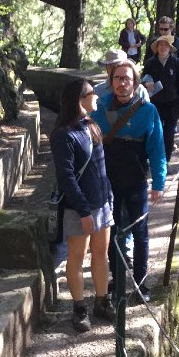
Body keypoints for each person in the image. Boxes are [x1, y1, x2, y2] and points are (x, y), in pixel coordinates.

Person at [91, 61, 166, 303]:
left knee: (139, 232)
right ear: (111, 81)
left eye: (127, 79)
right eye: (118, 78)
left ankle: (141, 283)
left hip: (135, 180)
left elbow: (157, 150)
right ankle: (117, 281)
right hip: (107, 181)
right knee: (111, 232)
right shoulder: (99, 107)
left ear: (135, 83)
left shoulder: (148, 111)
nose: (122, 83)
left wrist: (158, 183)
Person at [49, 78, 117, 332]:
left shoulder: (91, 125)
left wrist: (108, 197)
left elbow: (101, 168)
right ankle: (79, 308)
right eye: (92, 93)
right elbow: (66, 177)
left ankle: (102, 300)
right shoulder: (63, 135)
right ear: (80, 99)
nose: (97, 96)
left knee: (101, 253)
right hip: (78, 208)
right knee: (76, 257)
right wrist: (84, 210)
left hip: (101, 204)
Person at [144, 35, 179, 159]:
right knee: (155, 132)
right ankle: (154, 157)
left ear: (170, 48)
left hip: (173, 103)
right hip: (155, 103)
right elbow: (142, 79)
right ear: (156, 47)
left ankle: (166, 159)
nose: (163, 48)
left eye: (165, 45)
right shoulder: (150, 63)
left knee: (169, 134)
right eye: (160, 45)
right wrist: (146, 83)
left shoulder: (176, 63)